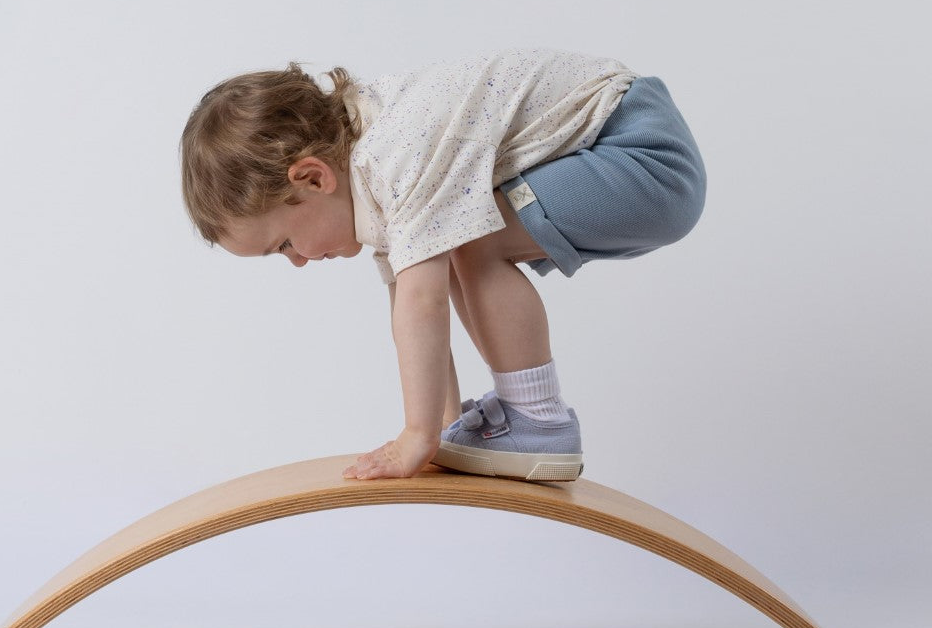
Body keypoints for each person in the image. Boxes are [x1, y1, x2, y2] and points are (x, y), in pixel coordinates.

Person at [178, 47, 706, 483]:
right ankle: (521, 415)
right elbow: (410, 313)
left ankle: (541, 421)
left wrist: (417, 435)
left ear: (313, 179)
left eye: (285, 244)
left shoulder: (397, 153)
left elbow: (423, 302)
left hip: (645, 151)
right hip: (623, 146)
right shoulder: (377, 177)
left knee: (475, 240)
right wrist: (444, 426)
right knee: (458, 242)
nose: (297, 262)